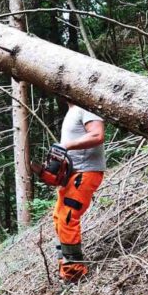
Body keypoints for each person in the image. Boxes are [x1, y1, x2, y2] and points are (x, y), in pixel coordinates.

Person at [53, 103, 106, 282]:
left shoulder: (86, 107)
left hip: (86, 172)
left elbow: (97, 134)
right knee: (59, 217)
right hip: (73, 174)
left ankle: (74, 274)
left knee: (68, 217)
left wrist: (66, 145)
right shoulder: (72, 111)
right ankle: (65, 266)